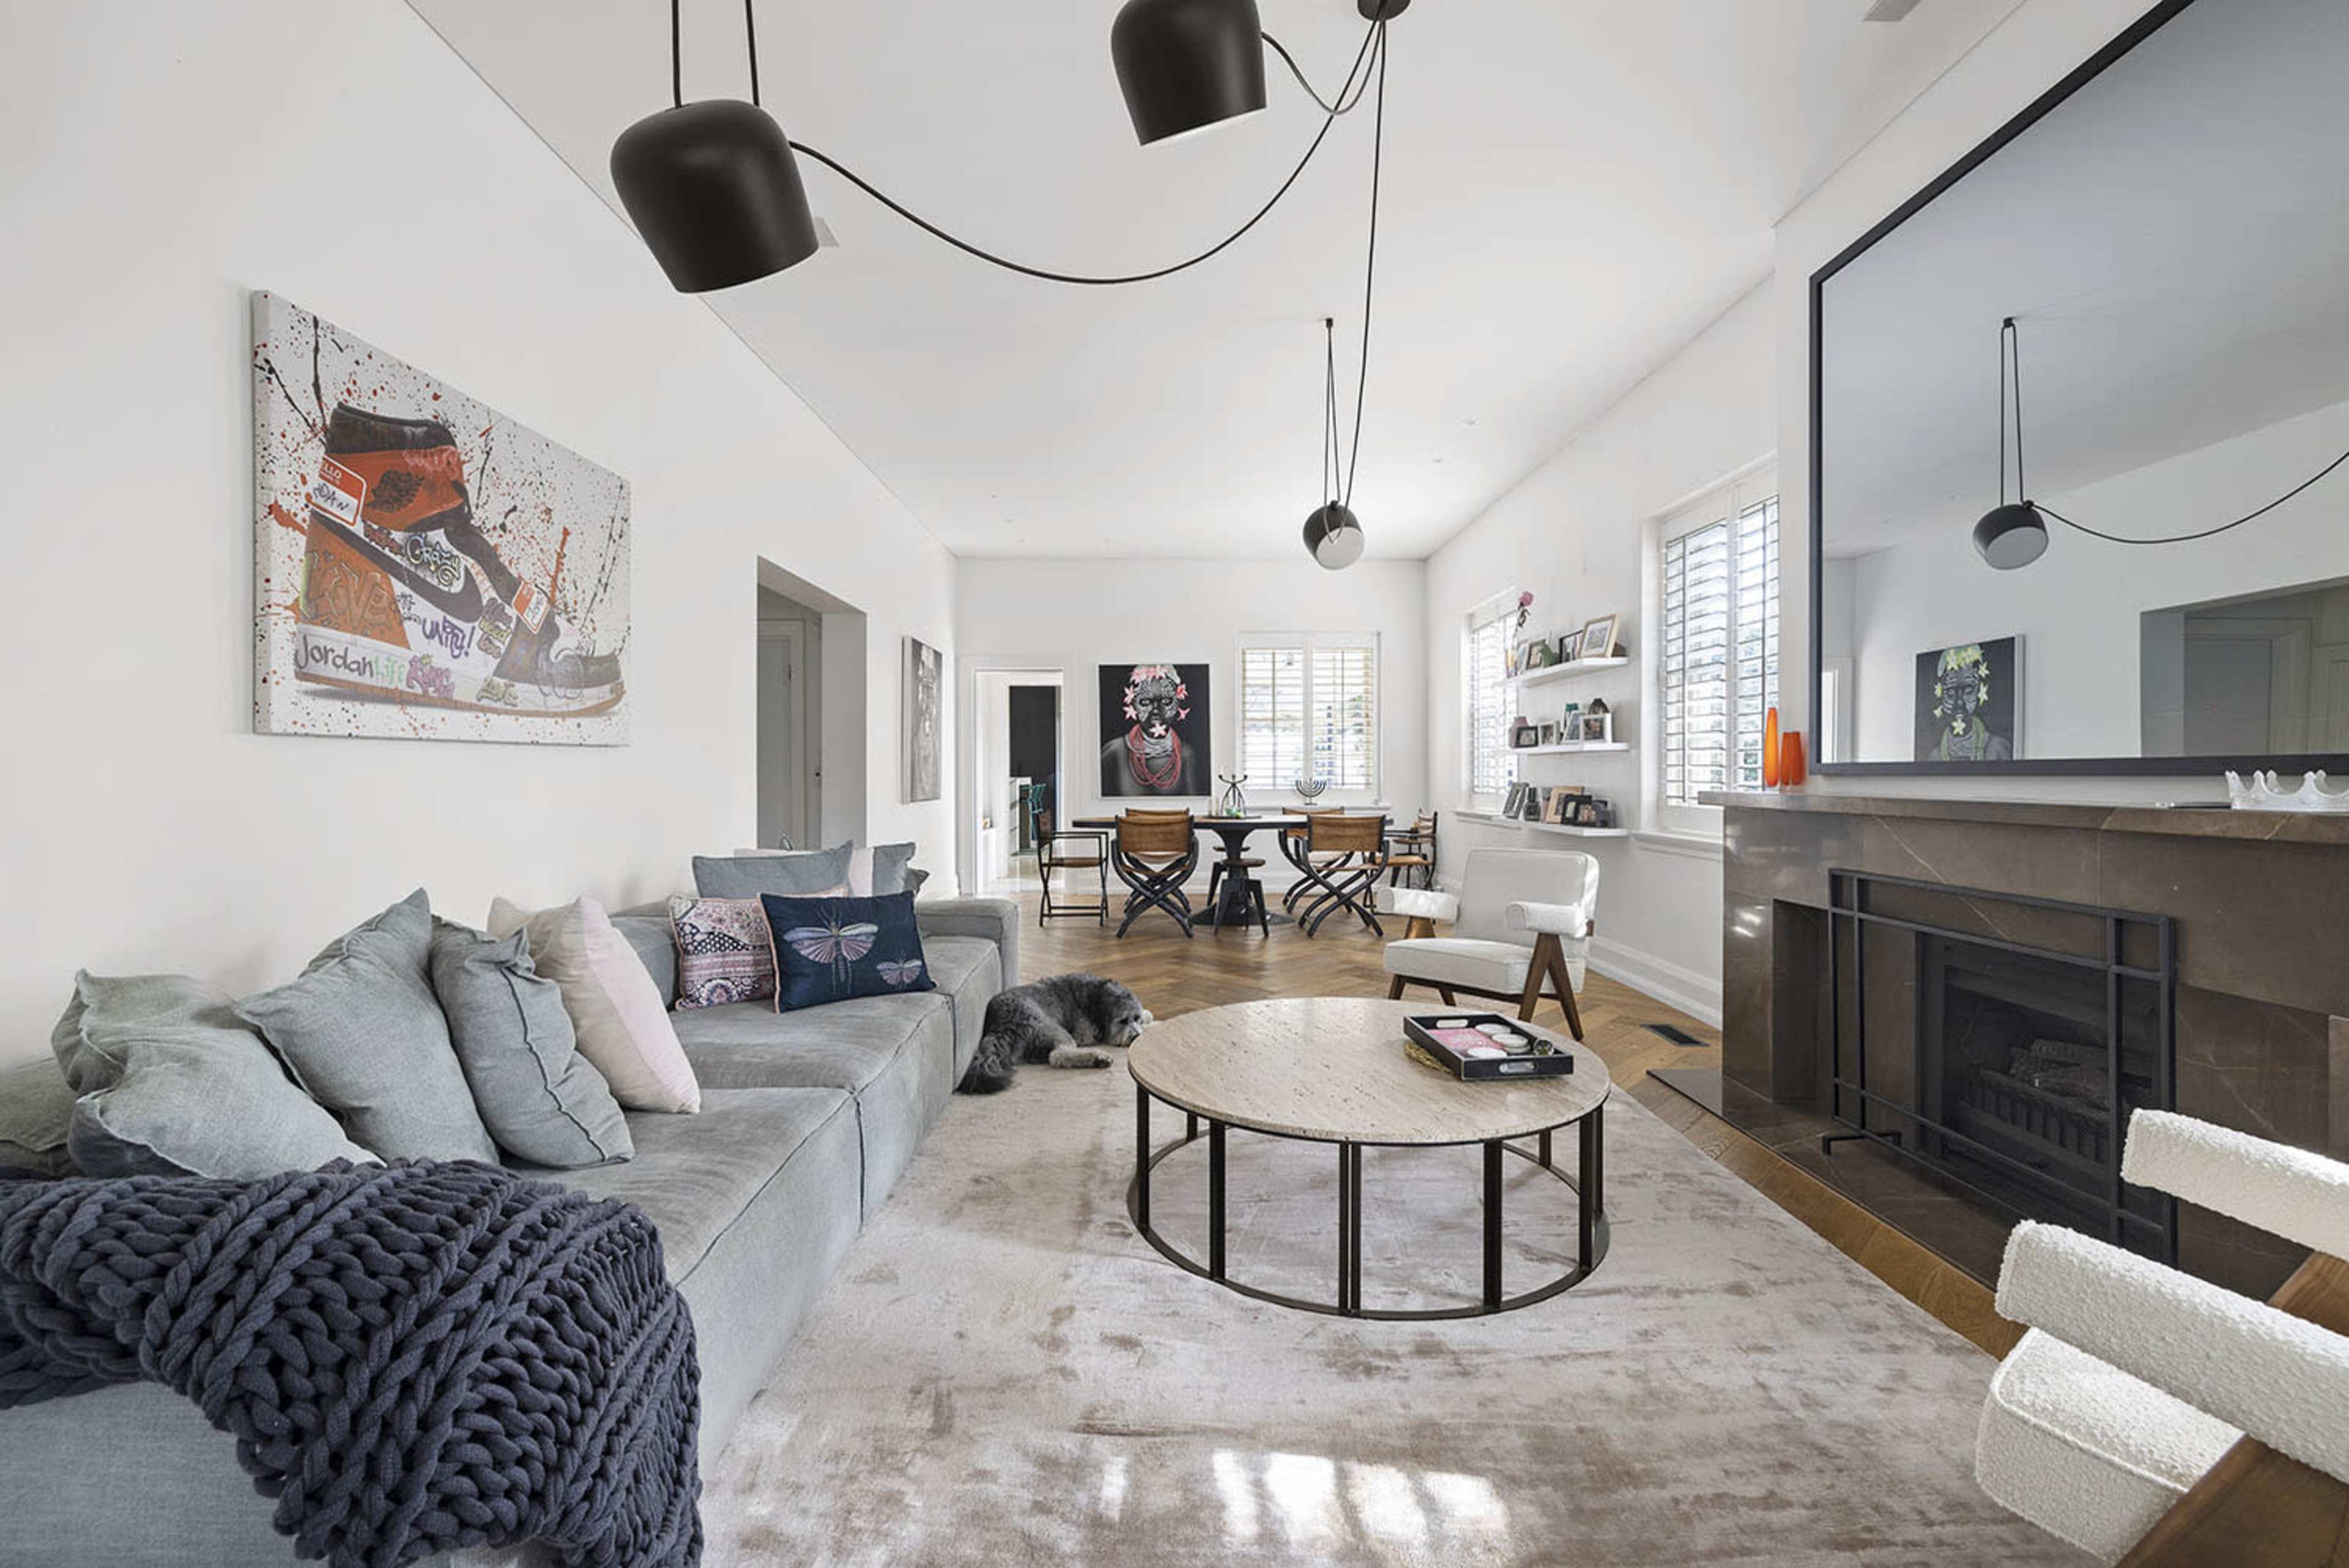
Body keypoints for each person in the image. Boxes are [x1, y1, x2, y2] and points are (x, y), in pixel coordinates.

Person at [1102, 664, 1206, 795]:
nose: (1156, 710)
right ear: (1134, 705)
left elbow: (1194, 807)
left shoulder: (1186, 754)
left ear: (1178, 704)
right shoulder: (1116, 751)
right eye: (1146, 702)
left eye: (1166, 701)